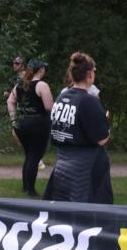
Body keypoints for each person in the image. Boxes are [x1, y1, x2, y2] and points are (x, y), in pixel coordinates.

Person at [43, 52, 112, 203]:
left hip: (62, 165)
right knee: (86, 218)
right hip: (84, 170)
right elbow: (102, 139)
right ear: (89, 74)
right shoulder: (89, 100)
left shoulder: (62, 98)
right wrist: (105, 121)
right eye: (94, 71)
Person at [6, 58, 53, 197]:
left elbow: (10, 101)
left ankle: (26, 187)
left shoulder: (21, 84)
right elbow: (49, 107)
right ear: (41, 69)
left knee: (29, 155)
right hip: (38, 124)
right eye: (44, 67)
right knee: (35, 156)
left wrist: (14, 119)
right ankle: (30, 190)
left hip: (21, 123)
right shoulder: (42, 85)